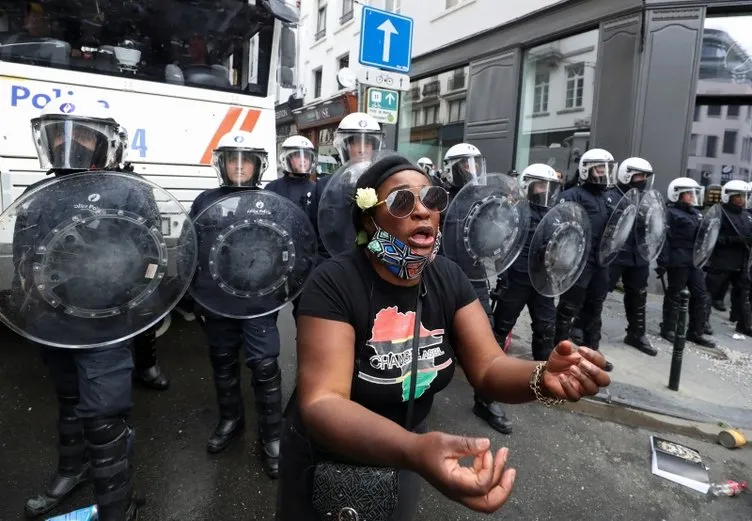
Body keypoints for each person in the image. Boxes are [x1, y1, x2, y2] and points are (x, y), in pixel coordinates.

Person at [275, 153, 611, 520]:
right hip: (327, 456)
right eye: (403, 201)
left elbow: (488, 367)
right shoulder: (333, 282)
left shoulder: (448, 278)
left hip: (407, 451)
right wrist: (416, 451)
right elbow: (323, 402)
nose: (422, 210)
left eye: (432, 199)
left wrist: (541, 377)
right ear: (371, 221)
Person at [17, 98, 144, 520]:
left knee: (104, 413)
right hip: (53, 321)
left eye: (82, 135)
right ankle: (72, 469)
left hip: (104, 323)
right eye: (60, 134)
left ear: (105, 143)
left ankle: (116, 504)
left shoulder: (127, 190)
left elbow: (148, 259)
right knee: (69, 398)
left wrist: (121, 297)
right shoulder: (40, 191)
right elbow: (24, 257)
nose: (68, 143)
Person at [190, 130, 283, 478]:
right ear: (223, 164)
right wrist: (193, 295)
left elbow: (284, 248)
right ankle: (230, 418)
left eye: (247, 160)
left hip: (259, 300)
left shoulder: (270, 199)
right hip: (217, 300)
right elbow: (193, 247)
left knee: (264, 365)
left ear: (258, 165)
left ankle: (272, 435)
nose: (240, 166)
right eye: (233, 160)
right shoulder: (205, 199)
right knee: (223, 361)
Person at [438, 143, 513, 434]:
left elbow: (499, 236)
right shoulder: (438, 196)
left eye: (474, 164)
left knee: (486, 335)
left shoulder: (485, 197)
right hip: (439, 273)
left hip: (474, 274)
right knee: (425, 334)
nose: (471, 170)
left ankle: (486, 399)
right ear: (451, 168)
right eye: (464, 165)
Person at [555, 148, 617, 372]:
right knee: (568, 309)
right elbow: (559, 226)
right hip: (578, 261)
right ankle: (559, 351)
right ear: (587, 170)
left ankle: (592, 353)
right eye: (600, 168)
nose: (604, 173)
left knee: (595, 308)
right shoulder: (572, 195)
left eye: (607, 169)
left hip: (600, 261)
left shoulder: (608, 197)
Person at [493, 164, 560, 363]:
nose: (545, 190)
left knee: (546, 328)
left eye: (549, 186)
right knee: (501, 327)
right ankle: (490, 379)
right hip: (516, 278)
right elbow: (497, 241)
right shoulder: (514, 210)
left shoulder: (554, 214)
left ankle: (544, 376)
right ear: (528, 185)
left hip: (543, 280)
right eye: (540, 185)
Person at [312, 112, 384, 260]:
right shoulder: (325, 186)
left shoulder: (384, 182)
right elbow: (317, 232)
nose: (362, 149)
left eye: (368, 143)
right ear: (345, 147)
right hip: (336, 261)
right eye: (355, 143)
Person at [606, 157, 658, 356]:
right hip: (616, 252)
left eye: (645, 176)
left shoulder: (647, 199)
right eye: (639, 175)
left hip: (639, 254)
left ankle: (637, 333)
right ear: (626, 174)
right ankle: (582, 328)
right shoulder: (612, 195)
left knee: (638, 294)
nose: (642, 179)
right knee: (599, 292)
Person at [656, 177, 716, 348]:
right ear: (677, 195)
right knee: (675, 295)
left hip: (694, 261)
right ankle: (669, 329)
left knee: (701, 295)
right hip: (678, 260)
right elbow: (664, 238)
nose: (692, 197)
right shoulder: (671, 213)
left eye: (693, 193)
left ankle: (696, 332)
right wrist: (663, 261)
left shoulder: (696, 214)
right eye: (688, 194)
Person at [265, 134, 318, 315]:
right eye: (298, 155)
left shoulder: (316, 189)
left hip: (304, 259)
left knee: (305, 308)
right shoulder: (272, 188)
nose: (303, 160)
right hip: (276, 259)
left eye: (307, 156)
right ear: (287, 158)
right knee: (270, 304)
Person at [704, 180, 752, 336]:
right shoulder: (718, 213)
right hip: (721, 261)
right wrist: (734, 240)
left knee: (742, 294)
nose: (742, 199)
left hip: (741, 262)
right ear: (729, 197)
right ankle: (701, 322)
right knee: (708, 293)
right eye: (738, 196)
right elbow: (710, 237)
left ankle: (743, 324)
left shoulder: (745, 216)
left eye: (744, 196)